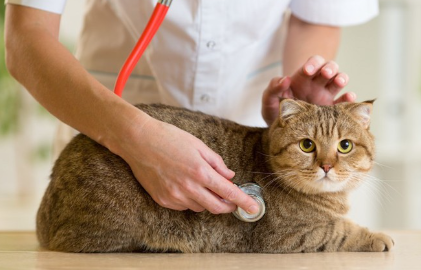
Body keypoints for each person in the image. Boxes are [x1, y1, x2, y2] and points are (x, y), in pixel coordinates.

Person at [4, 0, 378, 215]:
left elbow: (320, 14)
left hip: (253, 154)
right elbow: (26, 38)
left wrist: (293, 113)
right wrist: (135, 138)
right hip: (112, 144)